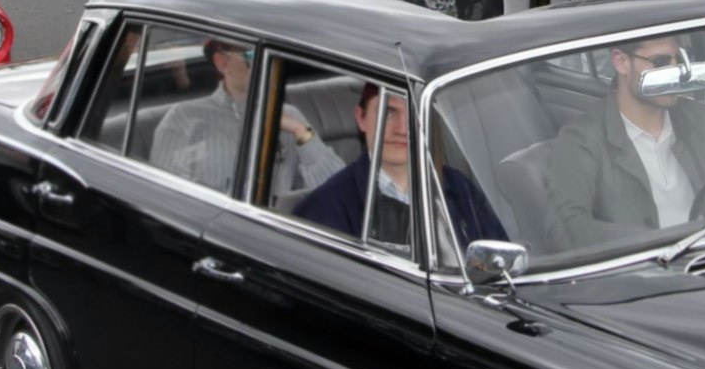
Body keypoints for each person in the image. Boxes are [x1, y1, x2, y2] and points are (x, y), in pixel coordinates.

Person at [545, 35, 705, 247]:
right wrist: (652, 243)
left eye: (680, 61)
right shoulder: (582, 139)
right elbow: (566, 229)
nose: (676, 73)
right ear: (621, 62)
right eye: (660, 62)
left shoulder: (702, 120)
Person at [296, 85, 506, 247]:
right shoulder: (324, 209)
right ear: (361, 118)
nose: (402, 129)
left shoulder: (459, 187)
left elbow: (500, 264)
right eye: (388, 112)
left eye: (414, 114)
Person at [158, 40, 342, 193]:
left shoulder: (290, 116)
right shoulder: (183, 119)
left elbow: (338, 191)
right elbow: (165, 198)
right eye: (252, 55)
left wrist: (301, 132)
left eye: (274, 55)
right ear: (222, 63)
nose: (267, 63)